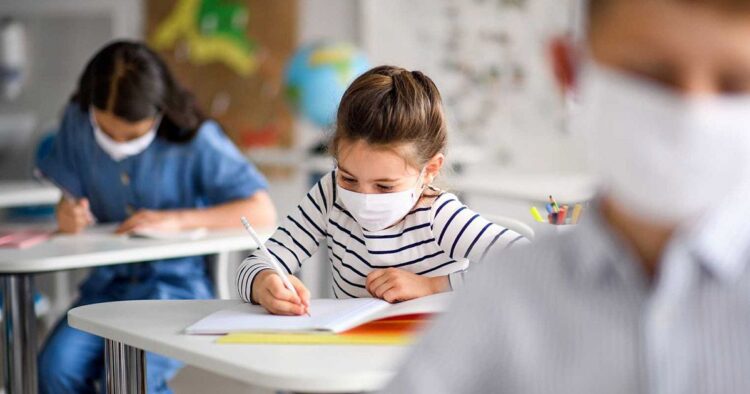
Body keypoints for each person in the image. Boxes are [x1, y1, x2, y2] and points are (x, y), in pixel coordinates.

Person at [382, 0, 750, 392]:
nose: (691, 113)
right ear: (570, 70)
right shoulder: (502, 297)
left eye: (736, 83)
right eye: (651, 75)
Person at [36, 41, 276, 394]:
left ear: (159, 112)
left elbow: (261, 210)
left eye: (132, 135)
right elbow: (67, 194)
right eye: (106, 131)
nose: (118, 143)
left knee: (135, 380)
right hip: (105, 289)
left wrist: (178, 219)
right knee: (55, 369)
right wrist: (66, 214)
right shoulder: (76, 122)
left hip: (175, 290)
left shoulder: (196, 139)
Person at [236, 65, 527, 315]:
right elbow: (258, 262)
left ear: (430, 170)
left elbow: (530, 264)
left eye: (384, 186)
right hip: (354, 358)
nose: (363, 198)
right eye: (349, 179)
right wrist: (264, 282)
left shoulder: (438, 216)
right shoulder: (329, 194)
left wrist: (433, 285)